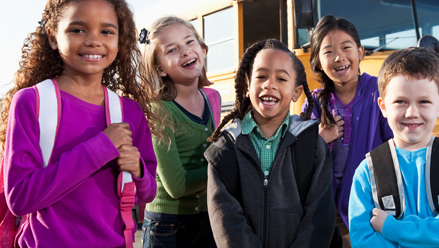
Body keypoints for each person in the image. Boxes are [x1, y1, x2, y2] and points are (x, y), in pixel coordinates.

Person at [0, 0, 158, 247]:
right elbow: (20, 199)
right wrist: (101, 147)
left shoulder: (129, 111)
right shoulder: (31, 102)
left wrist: (137, 170)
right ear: (53, 37)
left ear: (119, 40)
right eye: (78, 29)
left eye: (107, 31)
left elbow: (147, 193)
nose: (93, 40)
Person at [349, 47, 439, 248]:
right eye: (400, 102)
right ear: (383, 107)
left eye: (424, 101)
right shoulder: (367, 172)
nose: (412, 112)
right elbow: (363, 241)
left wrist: (393, 229)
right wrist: (438, 235)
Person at [205, 39, 335, 247]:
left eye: (281, 78)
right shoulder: (224, 149)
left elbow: (319, 217)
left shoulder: (312, 147)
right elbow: (226, 220)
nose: (269, 84)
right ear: (247, 86)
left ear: (296, 92)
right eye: (261, 76)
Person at [302, 15, 392, 243]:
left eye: (346, 47)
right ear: (318, 61)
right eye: (328, 51)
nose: (339, 57)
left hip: (372, 210)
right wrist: (319, 141)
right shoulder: (313, 104)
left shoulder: (379, 93)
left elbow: (397, 146)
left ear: (360, 51)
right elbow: (298, 164)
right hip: (325, 212)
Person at [139, 16, 219, 247]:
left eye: (189, 42)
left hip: (209, 218)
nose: (185, 52)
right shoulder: (159, 111)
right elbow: (177, 186)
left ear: (202, 51)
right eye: (172, 49)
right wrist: (225, 166)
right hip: (167, 227)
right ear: (160, 69)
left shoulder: (212, 97)